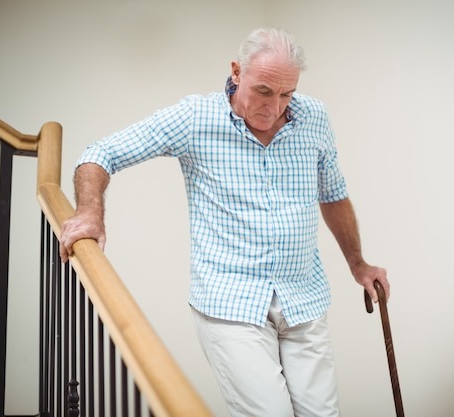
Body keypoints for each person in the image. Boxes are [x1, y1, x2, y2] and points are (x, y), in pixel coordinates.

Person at [59, 28, 389, 417]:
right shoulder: (196, 118)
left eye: (287, 95)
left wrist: (357, 263)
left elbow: (333, 194)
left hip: (304, 298)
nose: (275, 108)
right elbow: (100, 154)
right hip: (231, 304)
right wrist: (89, 214)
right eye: (264, 91)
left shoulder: (314, 118)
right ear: (236, 72)